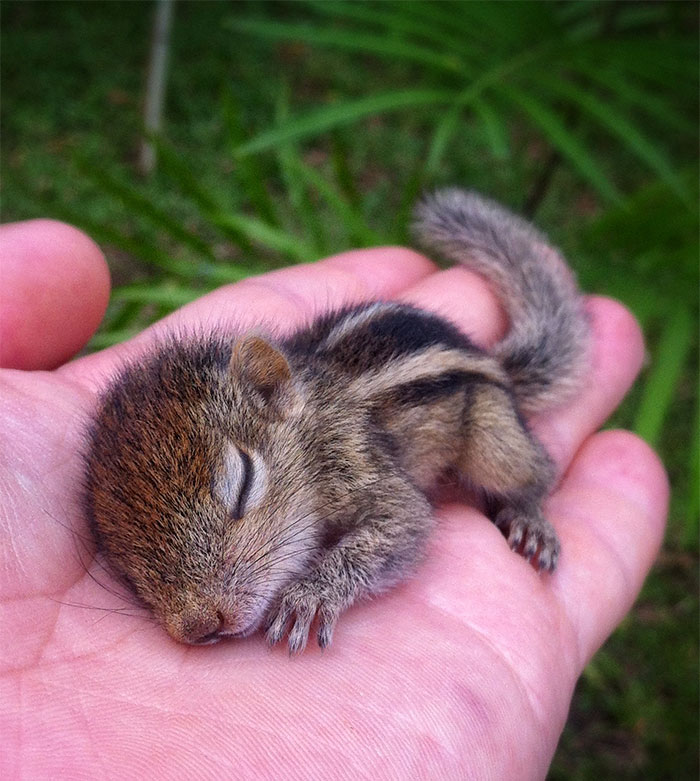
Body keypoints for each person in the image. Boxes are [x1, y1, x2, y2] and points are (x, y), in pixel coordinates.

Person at [0, 219, 667, 777]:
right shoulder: (223, 501)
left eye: (238, 492)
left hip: (459, 402)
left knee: (500, 457)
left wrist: (330, 582)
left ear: (272, 392)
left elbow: (403, 521)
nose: (191, 618)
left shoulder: (332, 446)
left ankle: (525, 497)